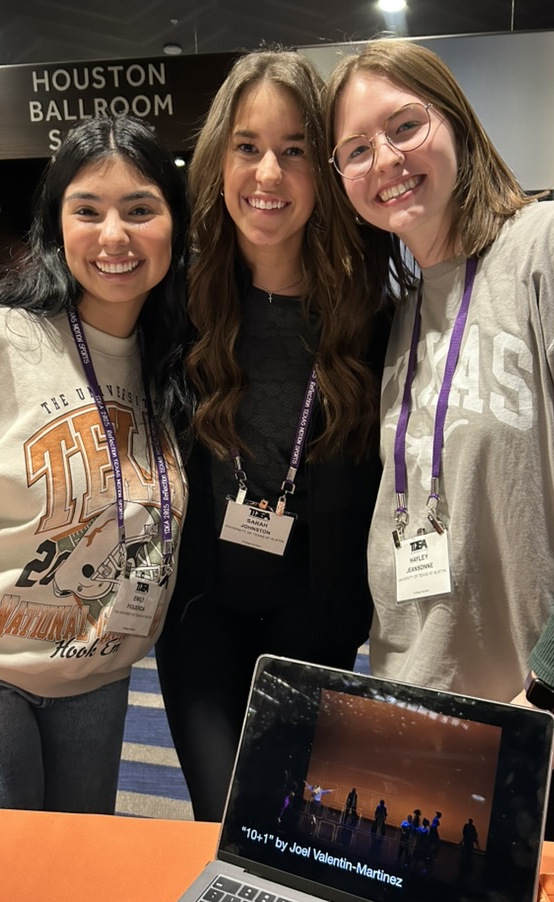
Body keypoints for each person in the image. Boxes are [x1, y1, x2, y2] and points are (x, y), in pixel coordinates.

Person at [324, 39, 554, 845]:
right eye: (356, 150)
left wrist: (551, 692)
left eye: (405, 126)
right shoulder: (404, 316)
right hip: (431, 692)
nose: (386, 160)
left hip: (547, 708)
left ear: (457, 124)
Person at [0, 115, 190, 813]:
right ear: (56, 228)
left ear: (175, 227)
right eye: (88, 210)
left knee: (74, 892)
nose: (114, 236)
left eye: (140, 210)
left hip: (95, 678)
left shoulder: (172, 361)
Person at [154, 49, 387, 821]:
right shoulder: (177, 299)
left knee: (286, 820)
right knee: (222, 821)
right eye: (248, 147)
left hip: (314, 617)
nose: (268, 175)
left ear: (323, 172)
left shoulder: (369, 311)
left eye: (294, 152)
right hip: (201, 614)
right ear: (220, 158)